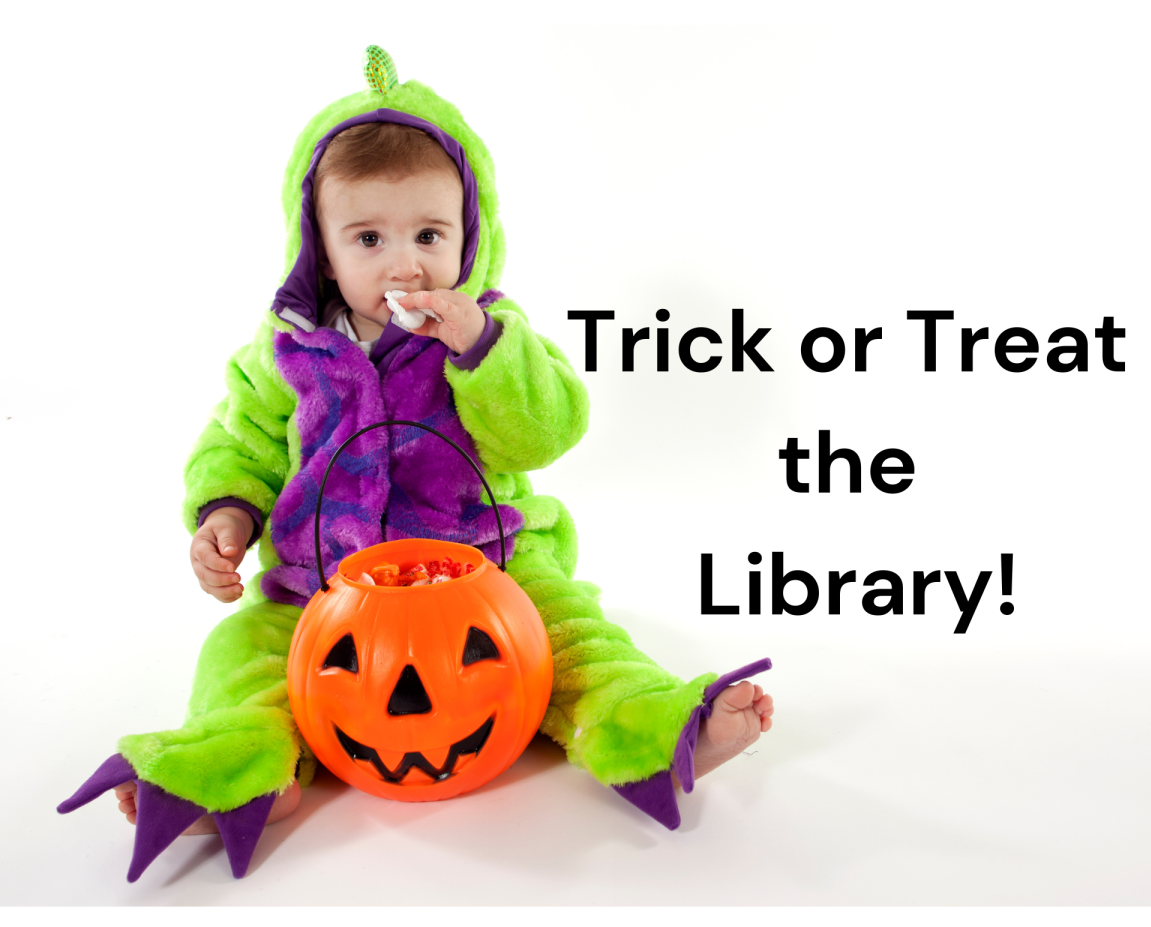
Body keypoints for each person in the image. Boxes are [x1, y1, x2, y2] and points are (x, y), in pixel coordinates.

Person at [58, 46, 773, 881]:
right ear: (321, 249)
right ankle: (242, 762)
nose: (405, 264)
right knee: (241, 651)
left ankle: (649, 723)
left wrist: (481, 347)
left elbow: (548, 430)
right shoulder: (287, 351)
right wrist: (227, 513)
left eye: (430, 235)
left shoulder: (489, 333)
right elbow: (241, 441)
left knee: (571, 637)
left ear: (471, 234)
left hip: (489, 567)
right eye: (369, 237)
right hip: (323, 585)